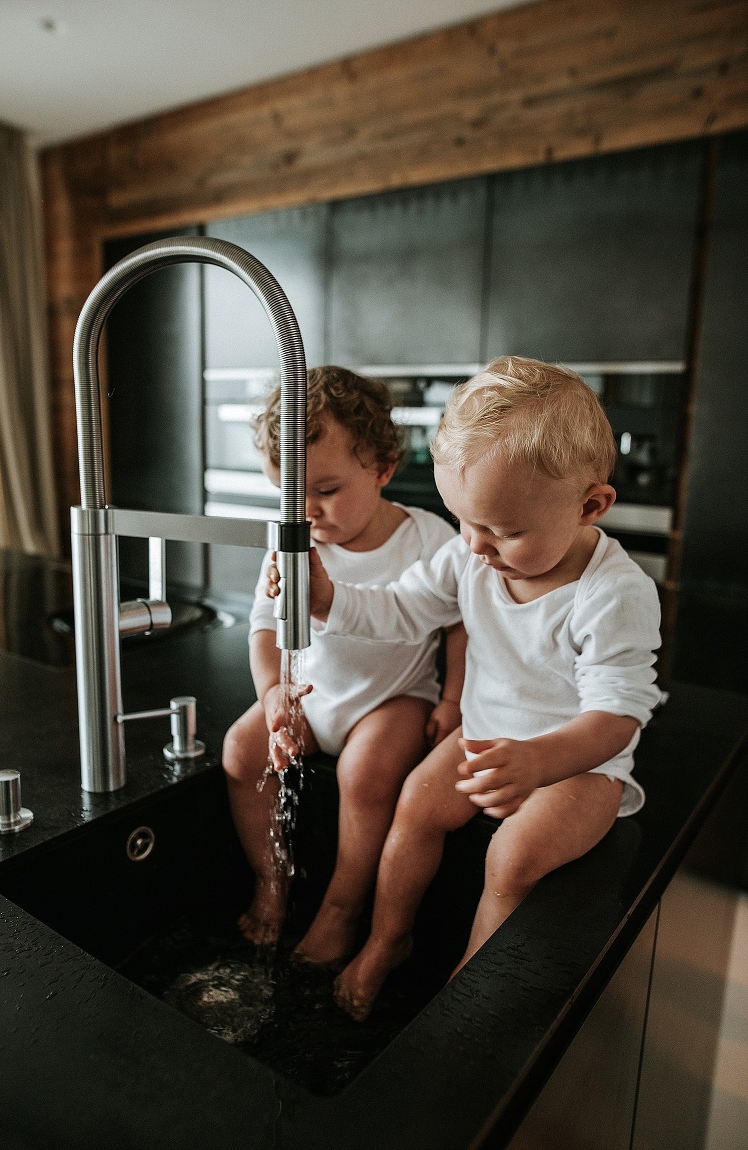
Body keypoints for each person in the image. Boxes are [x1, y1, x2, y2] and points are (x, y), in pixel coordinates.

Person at [290, 356, 663, 1019]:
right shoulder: (471, 555)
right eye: (464, 520)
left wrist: (539, 762)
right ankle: (387, 941)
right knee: (416, 804)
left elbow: (617, 715)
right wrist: (327, 600)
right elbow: (402, 608)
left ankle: (467, 988)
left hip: (581, 766)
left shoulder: (614, 593)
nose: (477, 545)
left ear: (590, 506)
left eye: (506, 530)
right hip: (486, 737)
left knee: (513, 856)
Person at [222, 365, 466, 964]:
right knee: (240, 751)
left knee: (366, 774)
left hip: (393, 699)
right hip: (310, 695)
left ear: (383, 468)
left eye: (326, 490)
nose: (306, 511)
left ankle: (341, 908)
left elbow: (461, 625)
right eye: (289, 495)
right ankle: (271, 876)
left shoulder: (430, 540)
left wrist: (452, 699)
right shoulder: (293, 542)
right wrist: (272, 693)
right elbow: (264, 625)